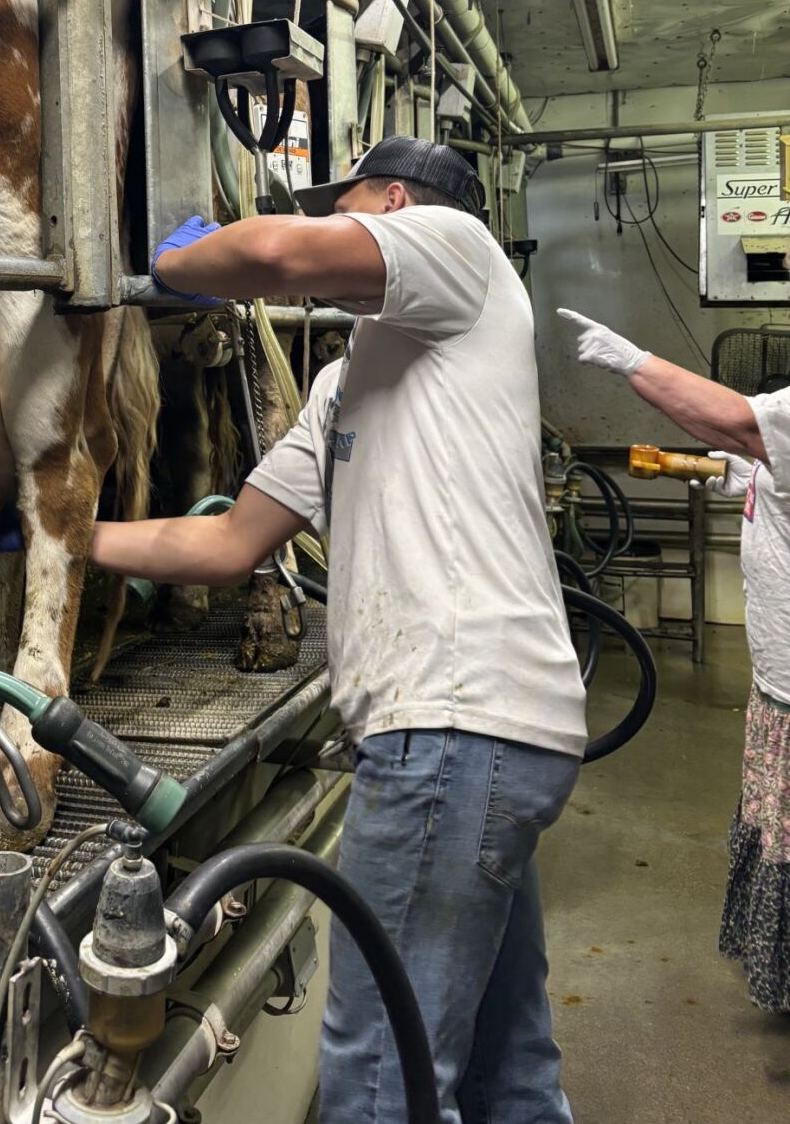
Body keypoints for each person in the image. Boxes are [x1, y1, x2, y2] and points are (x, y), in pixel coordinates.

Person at [91, 137, 588, 1124]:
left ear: (392, 203)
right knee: (505, 1065)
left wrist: (168, 260)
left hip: (449, 729)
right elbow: (230, 543)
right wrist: (62, 536)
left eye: (343, 203)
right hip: (479, 740)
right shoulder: (345, 382)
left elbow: (273, 256)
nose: (326, 221)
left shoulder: (457, 248)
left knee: (376, 1085)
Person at [559, 309, 790, 1015]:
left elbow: (725, 419)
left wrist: (631, 361)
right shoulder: (769, 455)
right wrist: (722, 468)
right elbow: (738, 449)